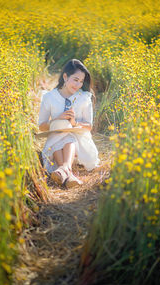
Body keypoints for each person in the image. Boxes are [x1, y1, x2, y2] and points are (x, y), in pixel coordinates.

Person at [38, 58, 100, 188]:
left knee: (68, 129)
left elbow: (89, 126)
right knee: (61, 125)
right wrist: (57, 119)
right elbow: (42, 127)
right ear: (65, 77)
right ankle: (68, 173)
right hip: (56, 139)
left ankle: (63, 169)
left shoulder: (84, 97)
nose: (78, 85)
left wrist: (74, 122)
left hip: (80, 143)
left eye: (81, 82)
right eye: (75, 80)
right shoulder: (49, 97)